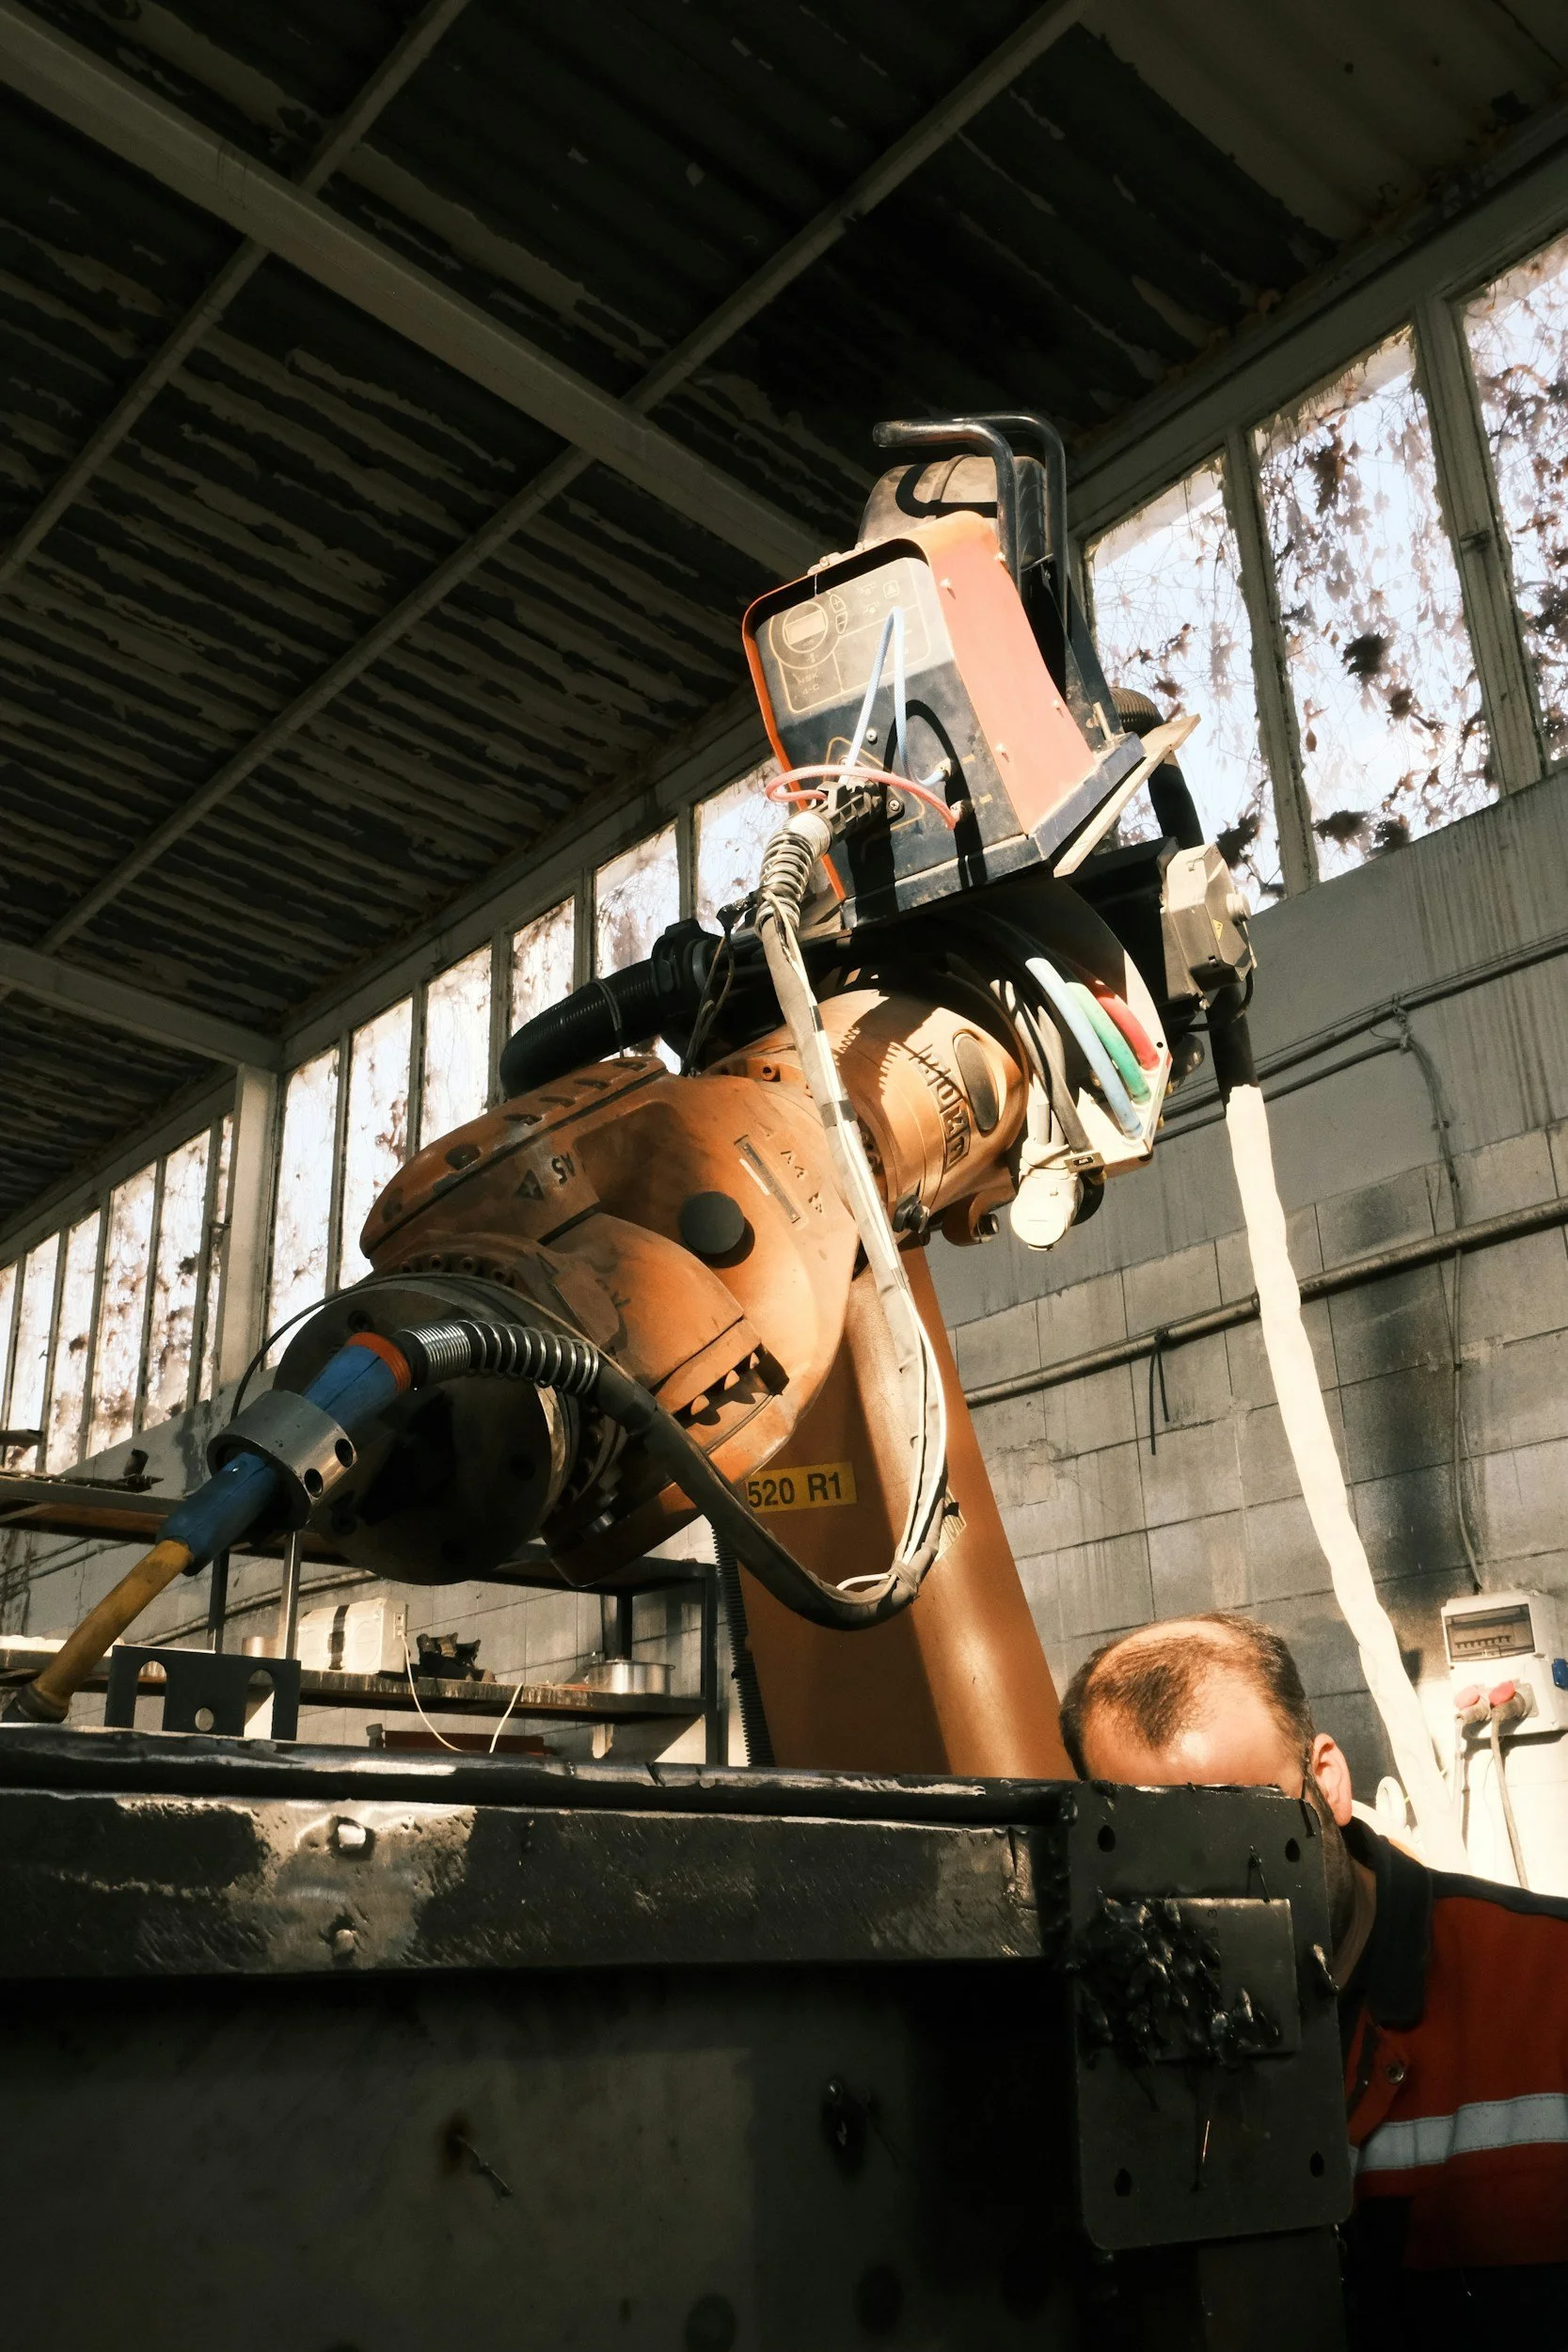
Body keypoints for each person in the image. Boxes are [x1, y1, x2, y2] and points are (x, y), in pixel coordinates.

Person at [1060, 1612, 1568, 2344]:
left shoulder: (1544, 1981)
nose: (1211, 1889)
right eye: (1151, 1843)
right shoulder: (1099, 2046)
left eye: (1246, 1824)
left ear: (1325, 1778)